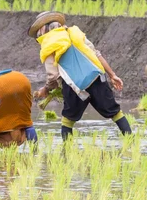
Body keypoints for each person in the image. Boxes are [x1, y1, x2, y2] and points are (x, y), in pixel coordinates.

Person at [29, 11, 131, 140]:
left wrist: (46, 89)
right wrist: (112, 75)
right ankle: (131, 142)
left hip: (75, 85)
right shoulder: (74, 33)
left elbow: (53, 76)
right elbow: (96, 54)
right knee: (115, 113)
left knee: (67, 120)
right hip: (96, 77)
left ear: (42, 32)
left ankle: (68, 152)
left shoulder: (49, 44)